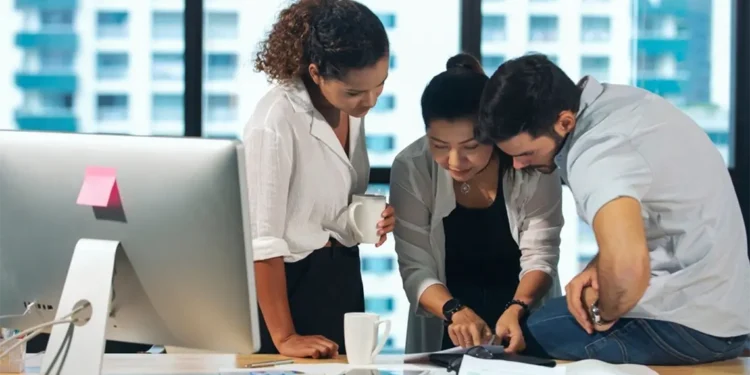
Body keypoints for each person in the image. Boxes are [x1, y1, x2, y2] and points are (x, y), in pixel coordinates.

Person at [476, 53, 750, 365]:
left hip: (688, 325)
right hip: (726, 313)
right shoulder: (619, 103)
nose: (518, 164)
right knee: (552, 315)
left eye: (526, 153)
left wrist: (600, 311)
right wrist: (596, 268)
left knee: (522, 340)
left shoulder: (597, 153)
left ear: (564, 122)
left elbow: (627, 268)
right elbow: (649, 221)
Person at [246, 0, 395, 359]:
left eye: (380, 85)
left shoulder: (351, 109)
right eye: (356, 92)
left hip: (341, 276)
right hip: (288, 290)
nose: (370, 101)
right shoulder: (275, 123)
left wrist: (364, 218)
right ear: (316, 73)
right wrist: (285, 336)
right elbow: (262, 241)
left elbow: (328, 203)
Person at [389, 53, 563, 354]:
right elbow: (416, 268)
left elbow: (541, 255)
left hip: (523, 315)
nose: (455, 161)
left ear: (493, 135)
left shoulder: (530, 162)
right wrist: (453, 311)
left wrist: (516, 308)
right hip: (449, 321)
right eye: (439, 145)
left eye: (470, 147)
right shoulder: (411, 167)